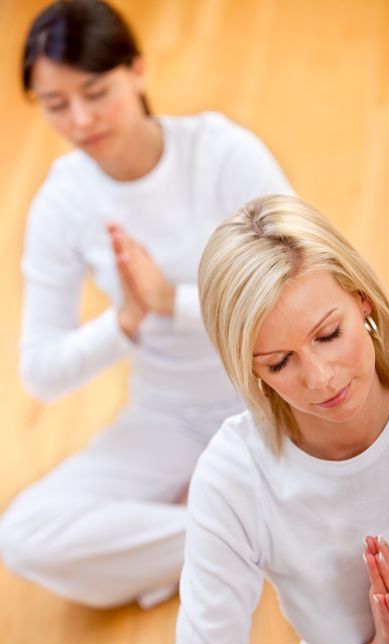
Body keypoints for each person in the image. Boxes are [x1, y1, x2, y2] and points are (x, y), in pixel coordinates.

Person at [0, 0, 293, 609]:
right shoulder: (63, 202)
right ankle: (252, 533)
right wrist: (126, 322)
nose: (80, 119)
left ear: (137, 70)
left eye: (96, 91)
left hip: (271, 396)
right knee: (25, 535)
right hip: (168, 416)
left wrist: (172, 302)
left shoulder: (220, 153)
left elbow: (298, 287)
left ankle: (207, 532)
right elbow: (41, 373)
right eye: (56, 105)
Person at [175, 194, 389, 644]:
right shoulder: (235, 476)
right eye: (279, 363)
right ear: (252, 371)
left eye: (329, 335)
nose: (321, 379)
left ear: (361, 298)